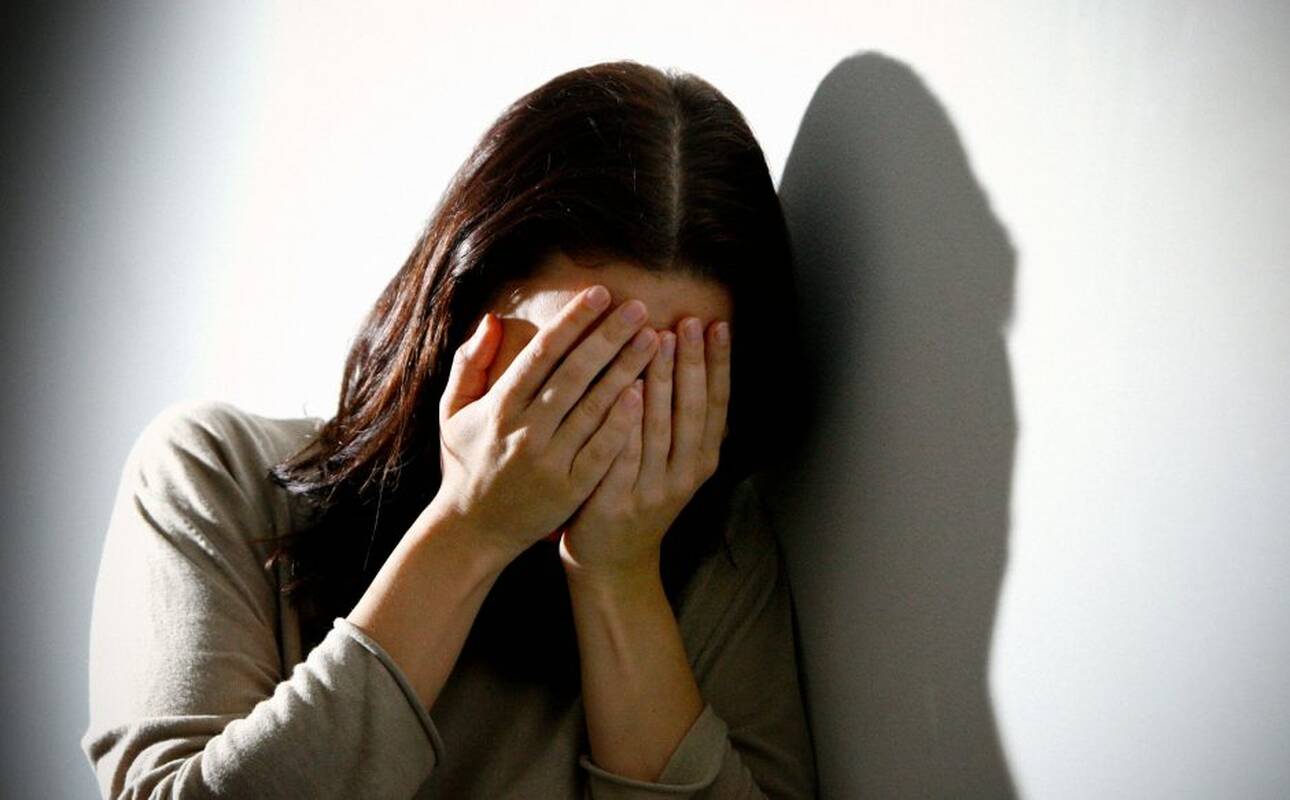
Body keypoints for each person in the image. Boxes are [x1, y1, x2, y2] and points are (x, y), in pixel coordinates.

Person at [81, 60, 817, 798]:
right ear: (462, 316)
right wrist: (469, 528)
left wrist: (620, 578)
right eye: (574, 364)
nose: (611, 422)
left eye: (668, 380)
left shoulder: (721, 552)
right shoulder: (215, 474)